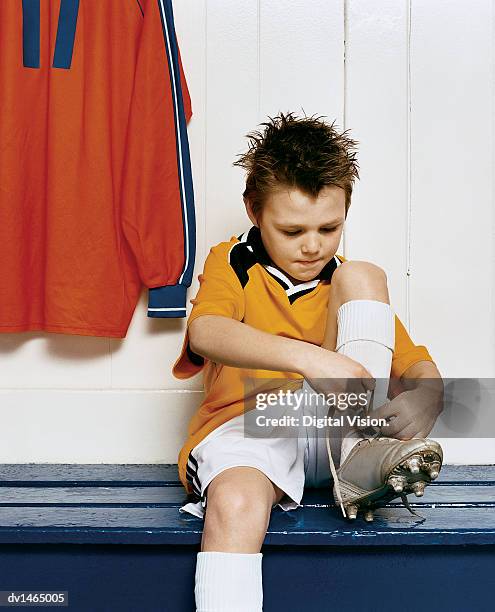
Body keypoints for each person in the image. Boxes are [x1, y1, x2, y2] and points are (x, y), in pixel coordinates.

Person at [172, 112, 444, 612]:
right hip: (250, 428)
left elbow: (416, 365)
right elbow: (206, 331)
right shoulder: (231, 261)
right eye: (292, 229)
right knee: (234, 504)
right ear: (254, 210)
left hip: (332, 431)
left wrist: (430, 396)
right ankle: (357, 461)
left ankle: (356, 457)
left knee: (364, 274)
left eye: (329, 227)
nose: (313, 245)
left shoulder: (347, 285)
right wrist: (309, 359)